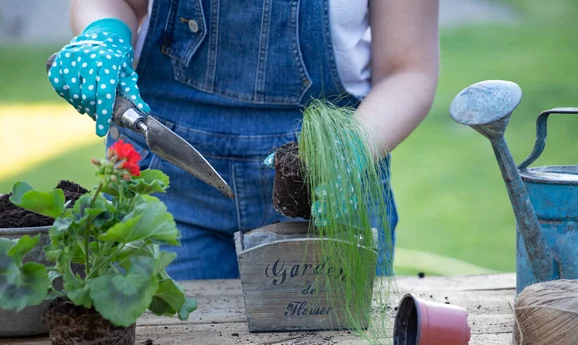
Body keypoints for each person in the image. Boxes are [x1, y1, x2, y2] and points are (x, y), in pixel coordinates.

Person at [48, 0, 440, 281]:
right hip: (167, 182)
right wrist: (103, 32)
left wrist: (346, 149)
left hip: (327, 188)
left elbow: (408, 70)